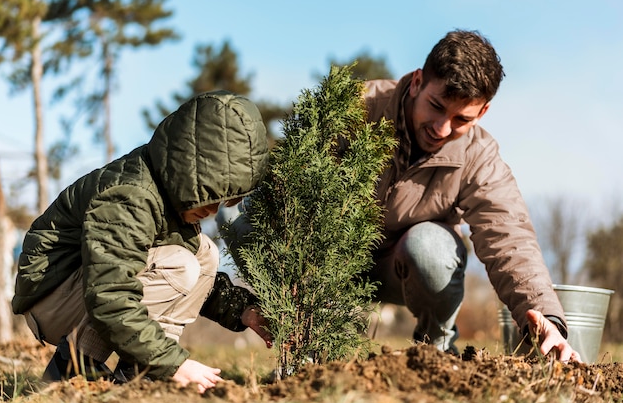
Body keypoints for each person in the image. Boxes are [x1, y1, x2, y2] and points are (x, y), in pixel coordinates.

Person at [218, 30, 581, 362]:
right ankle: (311, 343)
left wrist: (546, 315)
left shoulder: (478, 156)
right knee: (235, 217)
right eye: (437, 106)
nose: (442, 129)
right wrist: (300, 271)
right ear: (418, 82)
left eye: (461, 119)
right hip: (330, 261)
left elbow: (509, 236)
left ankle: (436, 351)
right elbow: (291, 188)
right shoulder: (356, 109)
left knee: (432, 247)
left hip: (403, 267)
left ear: (482, 112)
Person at [12, 90, 273, 393]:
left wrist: (242, 310)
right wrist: (174, 363)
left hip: (85, 288)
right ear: (190, 169)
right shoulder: (130, 196)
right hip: (51, 296)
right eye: (211, 196)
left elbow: (196, 284)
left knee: (204, 256)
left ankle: (139, 377)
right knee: (181, 265)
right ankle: (72, 369)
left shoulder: (169, 196)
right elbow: (110, 294)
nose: (213, 210)